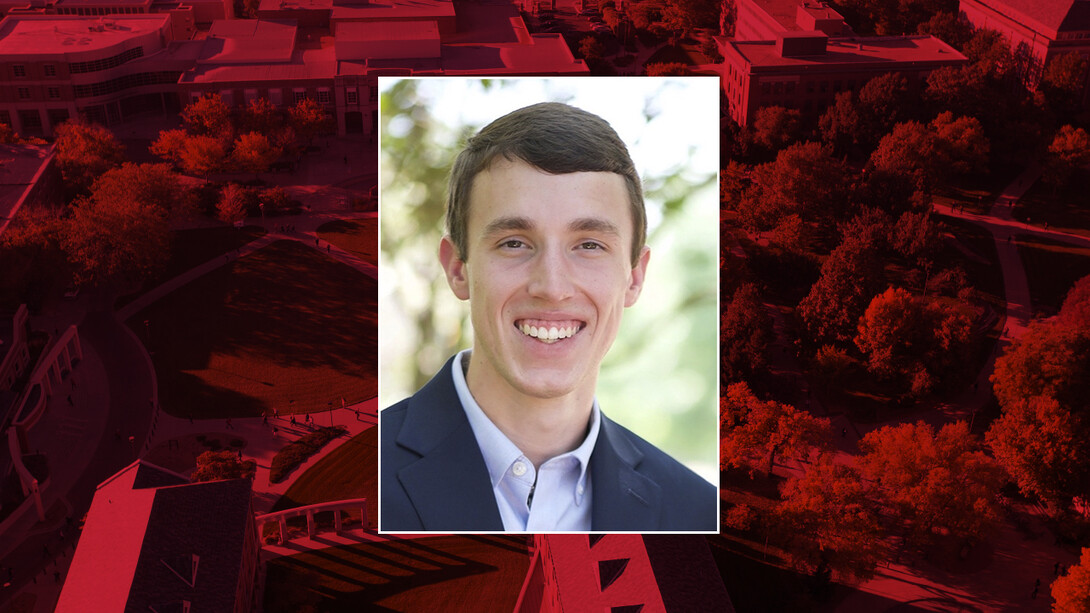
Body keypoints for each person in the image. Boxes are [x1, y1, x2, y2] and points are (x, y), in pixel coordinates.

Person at [380, 102, 716, 532]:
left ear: (634, 277)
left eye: (589, 245)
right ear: (457, 268)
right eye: (515, 243)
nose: (553, 286)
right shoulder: (346, 485)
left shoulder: (696, 515)